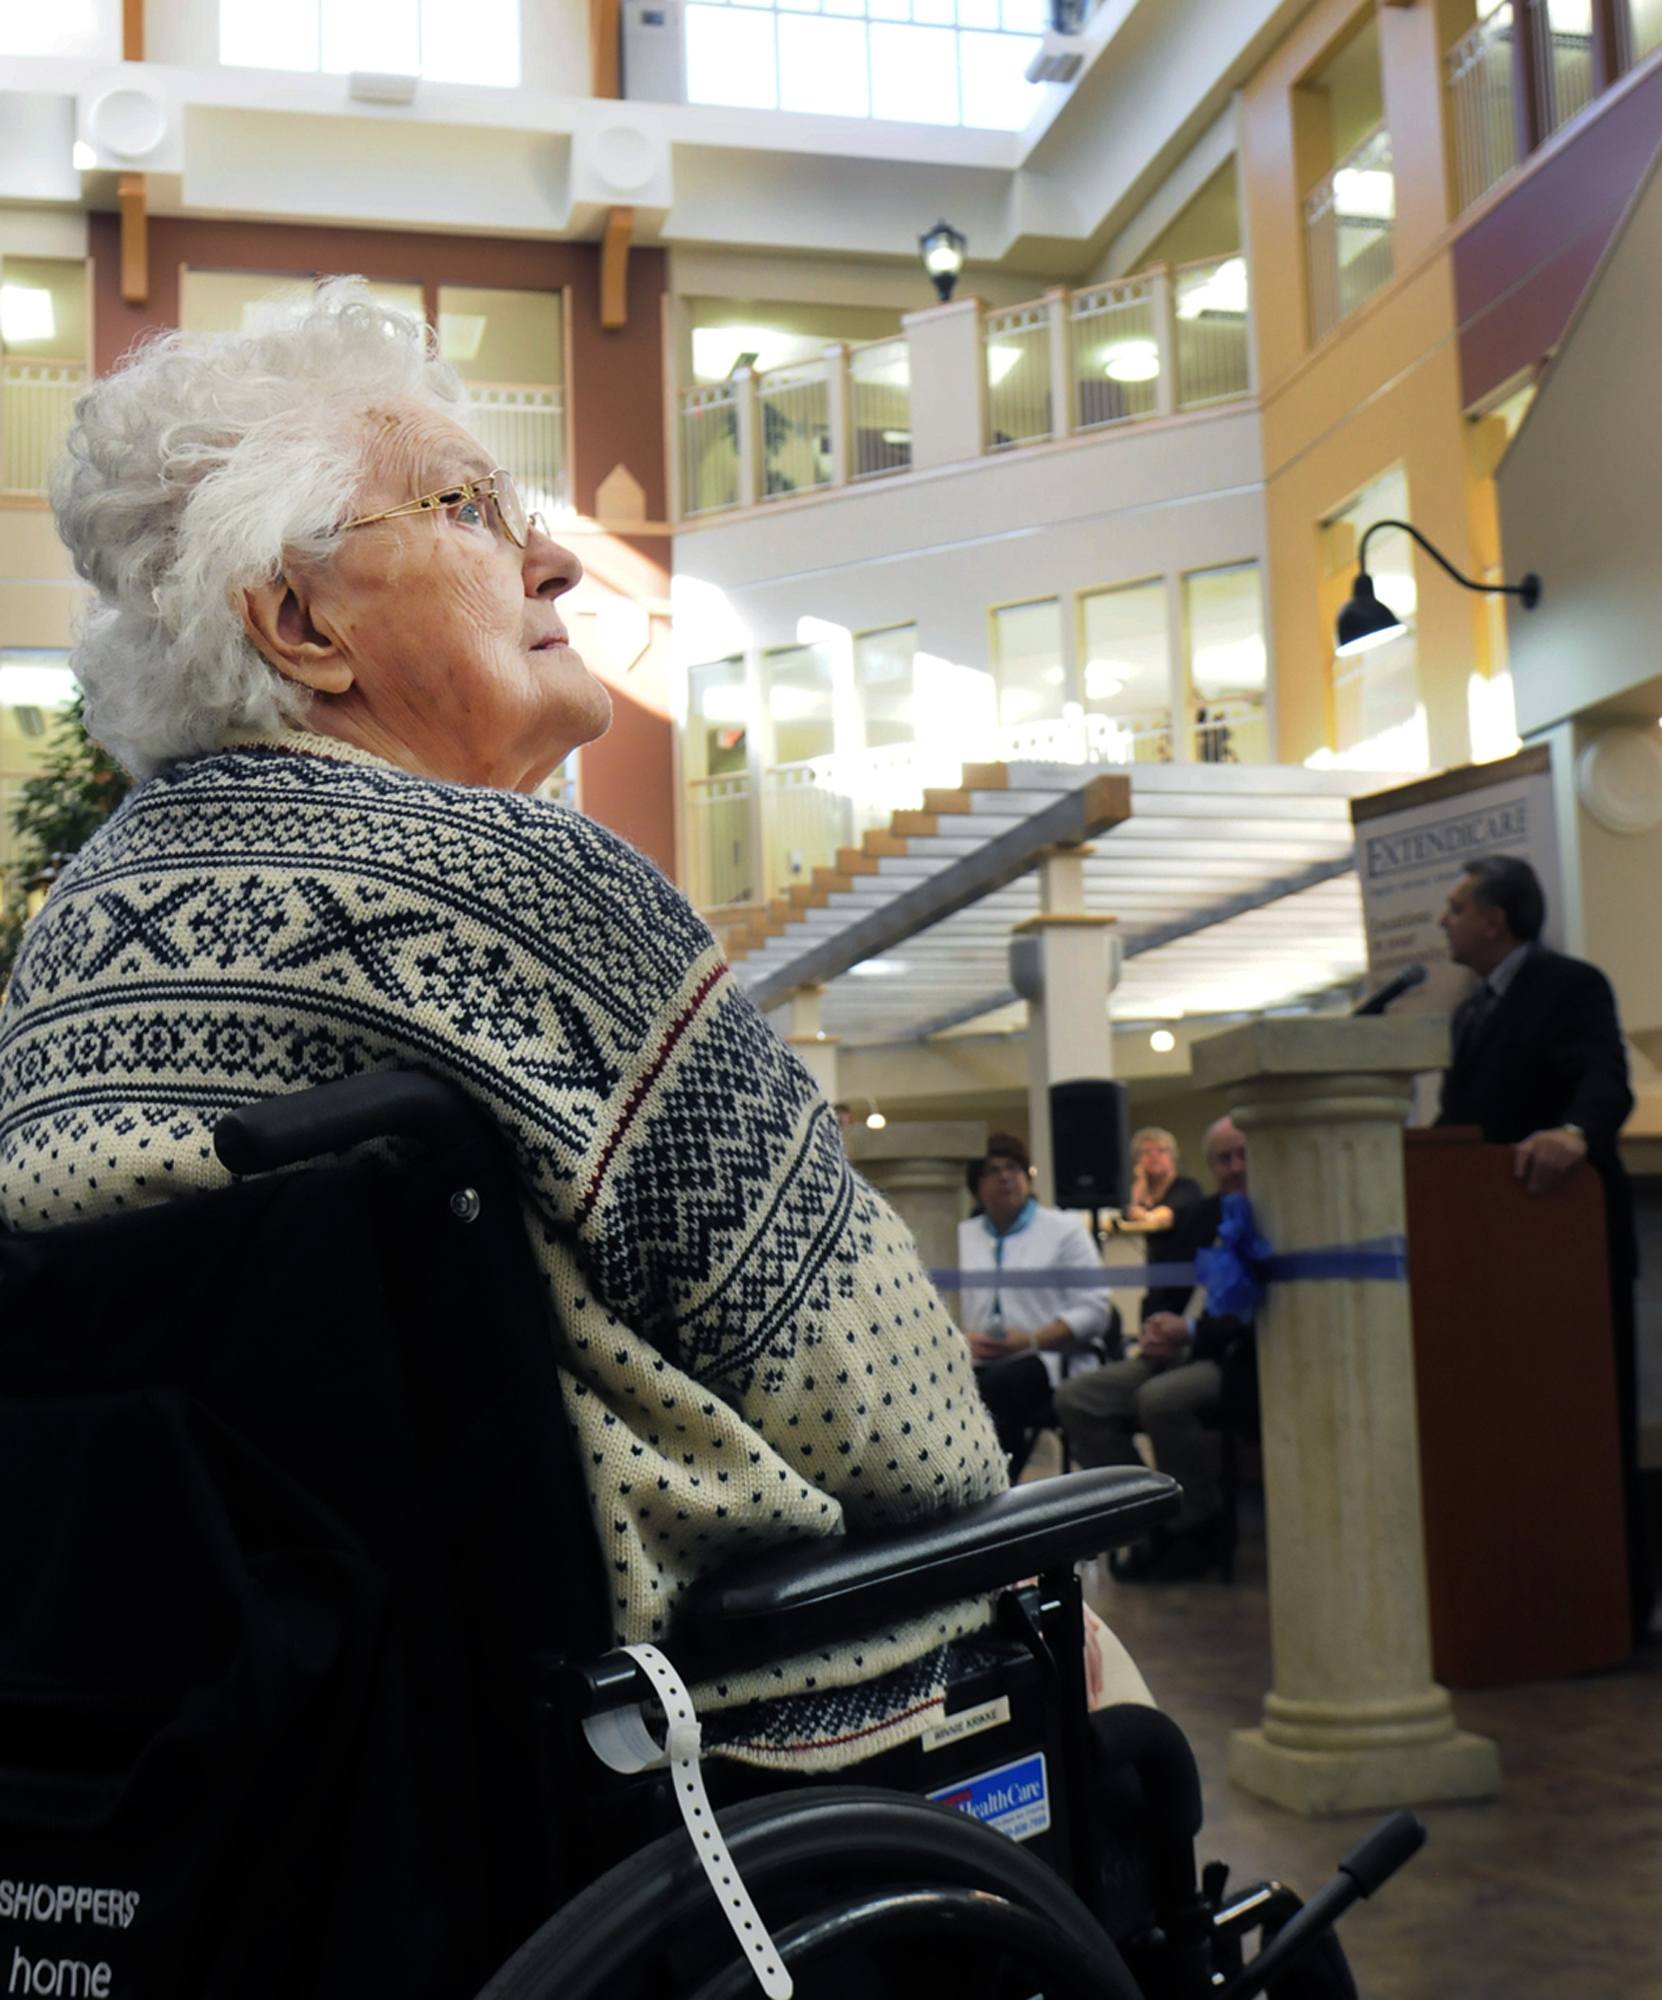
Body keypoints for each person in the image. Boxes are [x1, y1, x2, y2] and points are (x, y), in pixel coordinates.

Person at [0, 282, 1154, 1768]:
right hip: (677, 1741)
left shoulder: (69, 943)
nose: (550, 556)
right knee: (1106, 1706)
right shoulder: (518, 886)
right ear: (299, 624)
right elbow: (904, 1427)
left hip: (255, 1774)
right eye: (469, 507)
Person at [1437, 854, 1650, 1638]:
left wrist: (1573, 1133)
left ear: (1497, 919)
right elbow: (1466, 1129)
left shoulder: (1571, 984)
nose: (1443, 921)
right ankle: (1521, 1606)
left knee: (1586, 1435)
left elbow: (1608, 1082)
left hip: (1568, 1251)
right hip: (1492, 1260)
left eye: (1456, 907)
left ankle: (1608, 1611)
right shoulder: (1470, 1010)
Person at [1055, 1117, 1253, 1582]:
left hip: (1230, 1357)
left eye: (1243, 1155)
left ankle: (1196, 1525)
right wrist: (1157, 1327)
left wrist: (1190, 1332)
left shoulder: (1275, 1215)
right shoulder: (1203, 1215)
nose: (1235, 1167)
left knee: (1159, 1400)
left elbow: (1253, 1314)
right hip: (1173, 1349)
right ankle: (1141, 1518)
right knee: (1077, 1397)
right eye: (1223, 1159)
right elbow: (1162, 1285)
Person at [957, 1133, 1116, 1479]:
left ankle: (994, 1490)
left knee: (998, 1387)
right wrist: (962, 1339)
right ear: (976, 1186)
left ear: (1028, 1177)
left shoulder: (1064, 1230)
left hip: (1044, 1357)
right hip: (974, 1357)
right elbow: (937, 1307)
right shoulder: (961, 1236)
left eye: (1013, 1167)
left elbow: (1095, 1310)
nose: (1004, 1177)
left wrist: (1031, 1340)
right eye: (991, 1170)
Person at [1114, 1125, 1205, 1321]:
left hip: (1187, 1284)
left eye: (1161, 1150)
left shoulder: (1187, 1188)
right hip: (1156, 1286)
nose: (1154, 1156)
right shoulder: (1141, 1192)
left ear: (1173, 1156)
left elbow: (1160, 1218)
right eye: (1146, 1152)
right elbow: (1127, 1211)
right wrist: (1140, 1181)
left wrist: (1140, 1214)